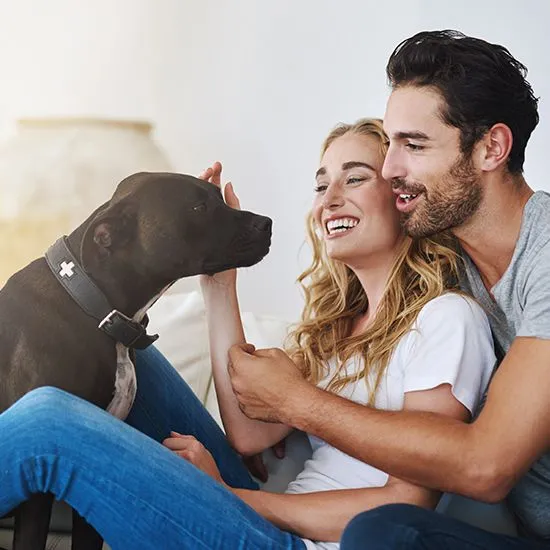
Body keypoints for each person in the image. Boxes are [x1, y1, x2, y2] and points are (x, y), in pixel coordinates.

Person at [0, 119, 494, 550]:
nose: (331, 199)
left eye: (356, 178)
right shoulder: (337, 331)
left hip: (292, 540)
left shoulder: (447, 318)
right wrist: (219, 276)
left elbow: (401, 504)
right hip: (257, 516)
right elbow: (246, 432)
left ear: (401, 196)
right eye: (322, 186)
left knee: (47, 415)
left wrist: (226, 496)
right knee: (116, 341)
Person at [225, 31, 550, 549]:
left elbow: (486, 467)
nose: (391, 169)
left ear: (492, 147)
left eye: (414, 145)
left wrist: (297, 402)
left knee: (386, 531)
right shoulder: (451, 261)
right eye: (392, 143)